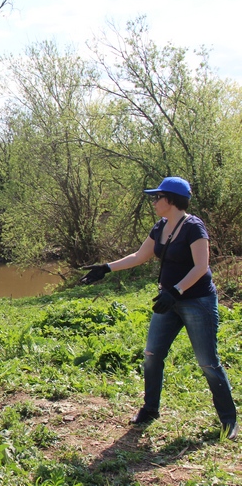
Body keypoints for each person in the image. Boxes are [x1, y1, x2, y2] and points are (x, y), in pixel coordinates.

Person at [80, 177, 237, 440]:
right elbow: (139, 257)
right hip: (168, 301)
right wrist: (105, 268)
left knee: (208, 362)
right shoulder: (162, 226)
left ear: (171, 200)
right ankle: (150, 409)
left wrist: (177, 290)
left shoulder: (194, 227)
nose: (154, 201)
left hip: (196, 301)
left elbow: (201, 267)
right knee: (152, 354)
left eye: (157, 197)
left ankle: (229, 420)